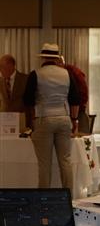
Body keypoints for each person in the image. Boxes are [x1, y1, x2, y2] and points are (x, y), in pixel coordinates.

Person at [23, 43, 80, 191]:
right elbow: (75, 99)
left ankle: (44, 197)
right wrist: (74, 120)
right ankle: (68, 195)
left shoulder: (36, 74)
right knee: (65, 160)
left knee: (44, 163)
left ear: (43, 58)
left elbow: (27, 100)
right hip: (64, 118)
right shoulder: (67, 74)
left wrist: (31, 122)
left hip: (43, 118)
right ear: (56, 58)